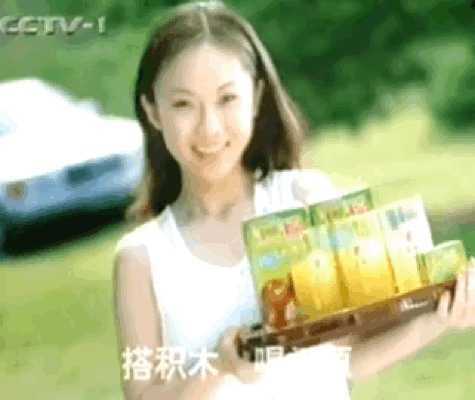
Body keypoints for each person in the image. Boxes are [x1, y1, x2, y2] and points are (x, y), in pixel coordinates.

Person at [112, 1, 475, 399]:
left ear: (256, 96)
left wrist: (440, 318)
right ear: (152, 111)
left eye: (227, 99)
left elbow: (346, 361)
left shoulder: (305, 200)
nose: (209, 128)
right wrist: (221, 365)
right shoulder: (141, 257)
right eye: (183, 104)